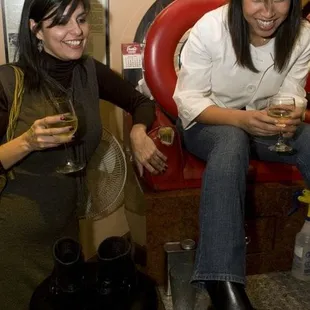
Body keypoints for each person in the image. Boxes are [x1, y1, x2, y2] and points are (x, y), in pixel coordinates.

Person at [0, 0, 167, 308]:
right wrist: (27, 142)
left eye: (81, 19)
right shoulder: (8, 82)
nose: (76, 31)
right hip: (12, 240)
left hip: (65, 238)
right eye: (61, 22)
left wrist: (138, 131)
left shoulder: (89, 71)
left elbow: (140, 103)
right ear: (35, 29)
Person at [173, 0, 310, 309]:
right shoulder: (210, 28)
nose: (267, 11)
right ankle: (221, 283)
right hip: (207, 123)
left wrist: (289, 118)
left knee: (309, 138)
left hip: (264, 122)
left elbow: (292, 93)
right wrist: (241, 120)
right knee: (232, 139)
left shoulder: (303, 35)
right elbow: (189, 100)